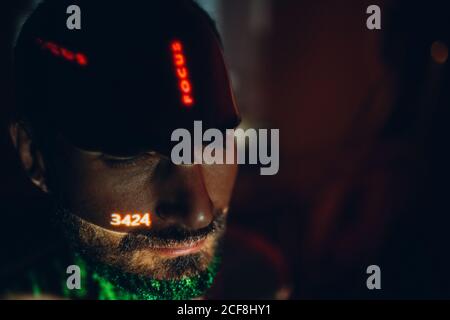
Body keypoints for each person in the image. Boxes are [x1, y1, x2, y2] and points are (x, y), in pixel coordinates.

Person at [3, 0, 242, 300]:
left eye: (214, 143)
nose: (199, 214)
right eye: (131, 157)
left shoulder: (258, 281)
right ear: (34, 156)